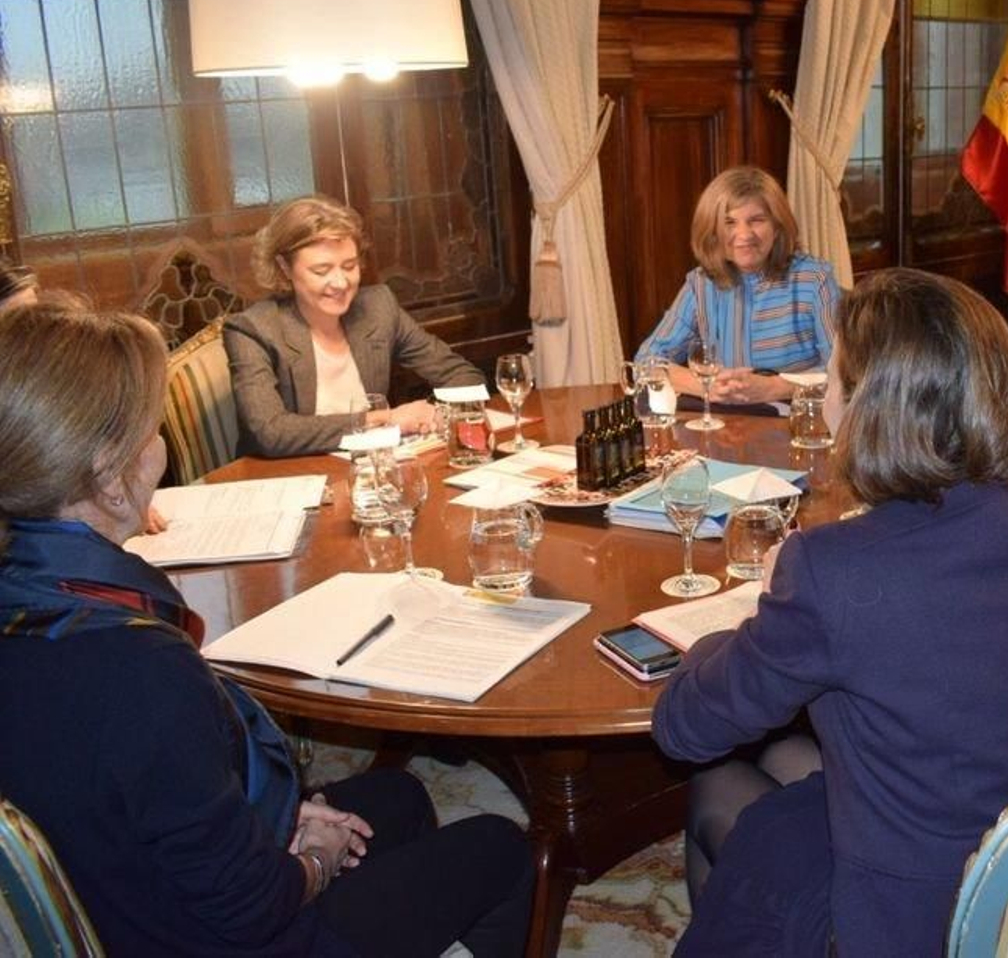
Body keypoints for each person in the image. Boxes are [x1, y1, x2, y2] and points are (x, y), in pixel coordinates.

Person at [0, 303, 533, 956]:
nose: (160, 446)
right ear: (110, 479)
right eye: (151, 427)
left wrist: (281, 818)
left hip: (120, 881)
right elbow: (249, 909)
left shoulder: (33, 598)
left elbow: (149, 787)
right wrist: (313, 860)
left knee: (397, 798)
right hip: (212, 938)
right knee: (503, 849)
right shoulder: (134, 665)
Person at [652, 268, 1008, 956]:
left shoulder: (836, 568)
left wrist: (751, 613)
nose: (823, 391)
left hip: (910, 917)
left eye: (831, 378)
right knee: (785, 761)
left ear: (868, 405)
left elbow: (685, 728)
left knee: (718, 783)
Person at [224, 195, 484, 457]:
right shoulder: (253, 329)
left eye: (349, 266)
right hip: (290, 479)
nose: (340, 282)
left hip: (374, 469)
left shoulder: (378, 307)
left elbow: (463, 375)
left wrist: (435, 413)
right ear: (284, 268)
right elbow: (271, 433)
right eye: (321, 270)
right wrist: (385, 420)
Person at [636, 166, 840, 405]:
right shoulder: (701, 284)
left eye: (756, 220)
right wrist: (706, 386)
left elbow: (843, 372)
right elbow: (645, 362)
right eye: (729, 222)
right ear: (712, 231)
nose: (743, 235)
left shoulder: (815, 279)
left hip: (799, 425)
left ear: (777, 227)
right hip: (725, 427)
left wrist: (775, 388)